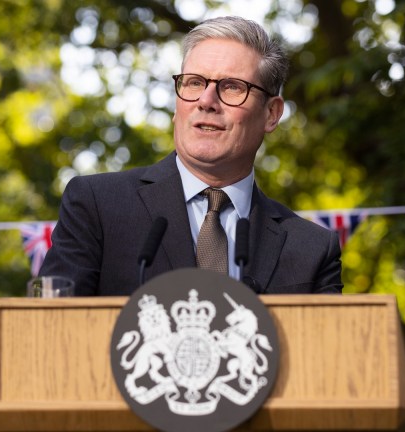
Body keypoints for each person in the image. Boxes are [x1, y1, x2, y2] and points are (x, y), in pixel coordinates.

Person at [38, 15, 342, 296]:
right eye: (194, 83)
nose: (206, 101)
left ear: (272, 114)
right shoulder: (97, 205)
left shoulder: (313, 248)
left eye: (232, 87)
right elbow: (46, 332)